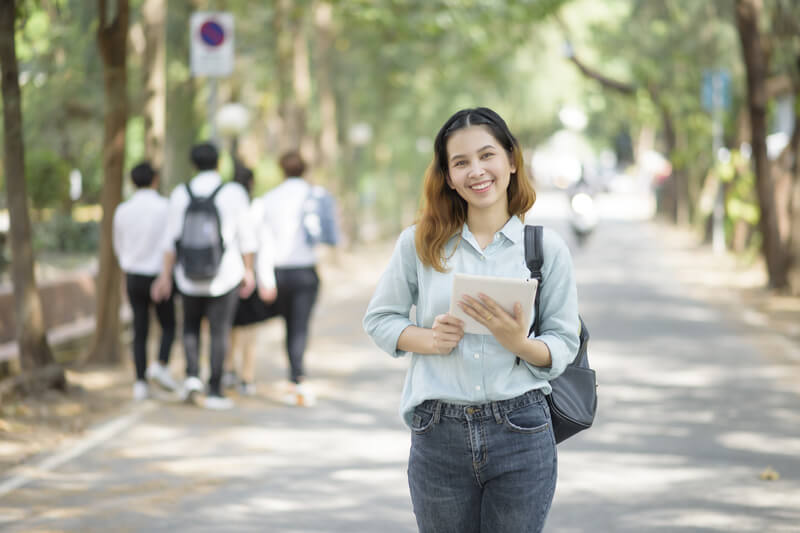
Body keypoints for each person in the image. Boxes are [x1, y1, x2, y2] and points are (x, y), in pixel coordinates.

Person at [362, 107, 580, 532]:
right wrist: (428, 339)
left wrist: (520, 343)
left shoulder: (544, 248)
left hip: (522, 429)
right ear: (447, 175)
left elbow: (564, 342)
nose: (476, 171)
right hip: (438, 432)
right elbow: (380, 319)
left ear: (511, 161)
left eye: (487, 156)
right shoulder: (420, 243)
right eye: (460, 162)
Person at [151, 143, 257, 410]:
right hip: (225, 275)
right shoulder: (233, 192)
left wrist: (165, 276)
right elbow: (247, 237)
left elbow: (170, 239)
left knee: (190, 326)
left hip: (187, 275)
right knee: (220, 331)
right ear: (218, 163)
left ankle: (192, 377)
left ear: (193, 164)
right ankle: (215, 390)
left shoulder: (180, 193)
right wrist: (249, 270)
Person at [256, 150, 340, 406]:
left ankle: (293, 375)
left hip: (278, 272)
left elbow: (264, 241)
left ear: (282, 170)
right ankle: (297, 378)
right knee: (299, 326)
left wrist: (265, 277)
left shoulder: (268, 199)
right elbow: (331, 236)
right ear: (304, 169)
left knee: (287, 326)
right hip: (305, 271)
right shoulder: (318, 196)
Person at [112, 162, 178, 400]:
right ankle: (160, 364)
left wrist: (124, 282)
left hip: (133, 276)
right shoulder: (165, 206)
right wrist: (166, 276)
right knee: (168, 325)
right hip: (158, 274)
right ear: (155, 180)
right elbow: (169, 245)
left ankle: (140, 382)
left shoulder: (122, 210)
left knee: (140, 330)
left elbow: (120, 250)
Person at [222, 163, 277, 395]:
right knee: (249, 332)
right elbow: (264, 247)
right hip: (248, 275)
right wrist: (266, 279)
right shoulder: (256, 208)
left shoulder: (222, 202)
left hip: (225, 278)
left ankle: (227, 369)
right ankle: (247, 376)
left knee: (228, 327)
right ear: (251, 184)